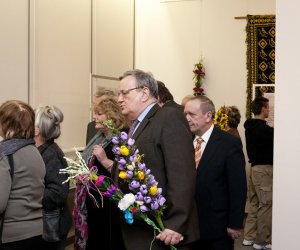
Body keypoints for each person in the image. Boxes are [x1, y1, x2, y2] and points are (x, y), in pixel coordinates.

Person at [113, 69, 199, 250]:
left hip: (165, 232)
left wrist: (175, 224)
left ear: (144, 93)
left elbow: (182, 174)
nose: (119, 99)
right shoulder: (136, 125)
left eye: (124, 93)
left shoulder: (168, 117)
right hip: (142, 230)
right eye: (118, 94)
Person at [184, 96, 247, 250]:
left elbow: (238, 186)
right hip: (188, 227)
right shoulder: (183, 141)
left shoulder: (228, 143)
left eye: (191, 114)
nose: (187, 118)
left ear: (208, 116)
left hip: (217, 227)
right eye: (185, 114)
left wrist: (235, 223)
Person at [76, 97, 128, 250]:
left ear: (112, 116)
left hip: (110, 206)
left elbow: (125, 174)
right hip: (95, 202)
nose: (94, 117)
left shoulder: (122, 139)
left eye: (99, 114)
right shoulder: (99, 138)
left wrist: (104, 160)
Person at [0, 100, 46, 250]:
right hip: (36, 231)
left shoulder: (5, 154)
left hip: (10, 236)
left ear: (6, 124)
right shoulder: (35, 151)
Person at [34, 105, 72, 250]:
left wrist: (29, 195)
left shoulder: (51, 155)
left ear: (37, 130)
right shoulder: (41, 150)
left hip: (53, 226)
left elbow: (58, 193)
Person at [242, 96, 273, 250]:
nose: (269, 109)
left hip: (254, 169)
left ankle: (248, 237)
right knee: (266, 205)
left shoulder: (250, 127)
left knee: (254, 203)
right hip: (265, 170)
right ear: (262, 109)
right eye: (267, 107)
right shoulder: (266, 131)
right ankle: (262, 241)